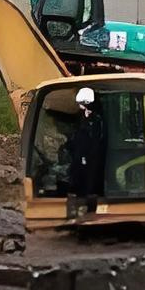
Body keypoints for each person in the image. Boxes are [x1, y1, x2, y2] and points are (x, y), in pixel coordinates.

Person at [62, 85, 106, 215]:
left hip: (89, 159)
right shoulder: (82, 119)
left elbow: (93, 142)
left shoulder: (96, 121)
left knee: (88, 186)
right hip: (80, 158)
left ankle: (87, 210)